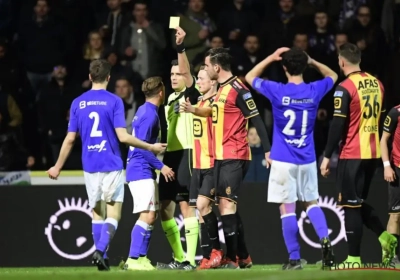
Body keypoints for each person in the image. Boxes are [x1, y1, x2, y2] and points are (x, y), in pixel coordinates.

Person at [46, 59, 166, 271]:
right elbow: (123, 137)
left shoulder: (77, 103)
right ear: (109, 78)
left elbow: (70, 139)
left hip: (90, 166)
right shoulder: (114, 101)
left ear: (90, 77)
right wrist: (150, 147)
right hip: (111, 163)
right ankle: (100, 251)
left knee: (97, 213)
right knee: (113, 214)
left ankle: (102, 255)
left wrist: (57, 166)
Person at [245, 47, 338, 270]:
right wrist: (313, 60)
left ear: (284, 67)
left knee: (287, 209)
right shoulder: (314, 90)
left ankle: (295, 258)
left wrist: (270, 57)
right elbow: (333, 75)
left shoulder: (276, 90)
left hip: (283, 159)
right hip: (307, 158)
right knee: (311, 203)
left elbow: (250, 77)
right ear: (304, 66)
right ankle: (325, 241)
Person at [181, 47, 271, 269]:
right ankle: (243, 255)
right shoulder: (221, 90)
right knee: (225, 207)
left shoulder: (239, 90)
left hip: (236, 154)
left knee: (227, 207)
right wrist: (193, 110)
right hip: (220, 157)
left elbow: (257, 119)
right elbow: (211, 112)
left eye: (207, 65)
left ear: (216, 67)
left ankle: (231, 258)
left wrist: (268, 150)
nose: (205, 68)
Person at [320, 43, 398, 267]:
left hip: (352, 152)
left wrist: (326, 156)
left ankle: (353, 258)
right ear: (359, 60)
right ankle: (386, 238)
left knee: (351, 205)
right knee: (358, 202)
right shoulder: (377, 83)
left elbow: (337, 125)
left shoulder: (344, 87)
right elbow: (383, 118)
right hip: (373, 154)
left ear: (341, 61)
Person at [175, 27, 223, 269]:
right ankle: (209, 254)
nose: (198, 81)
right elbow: (185, 73)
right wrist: (181, 47)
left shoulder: (219, 100)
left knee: (212, 208)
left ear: (212, 80)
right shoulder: (199, 98)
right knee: (201, 211)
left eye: (202, 78)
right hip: (197, 164)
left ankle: (223, 252)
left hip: (215, 163)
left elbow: (208, 112)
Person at [156, 37, 202, 271]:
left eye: (178, 73)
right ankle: (179, 257)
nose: (174, 77)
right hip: (170, 158)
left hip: (187, 154)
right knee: (164, 208)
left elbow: (187, 73)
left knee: (186, 206)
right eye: (171, 74)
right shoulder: (168, 101)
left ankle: (191, 260)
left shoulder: (190, 94)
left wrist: (181, 47)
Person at [122, 76, 175, 271]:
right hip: (140, 169)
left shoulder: (144, 110)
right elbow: (142, 148)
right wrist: (162, 167)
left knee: (151, 216)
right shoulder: (150, 115)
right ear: (161, 92)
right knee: (146, 215)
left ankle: (141, 257)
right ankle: (133, 259)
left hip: (142, 169)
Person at [380, 104, 400, 263]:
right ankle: (389, 257)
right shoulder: (395, 112)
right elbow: (383, 140)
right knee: (395, 216)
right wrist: (387, 166)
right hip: (398, 169)